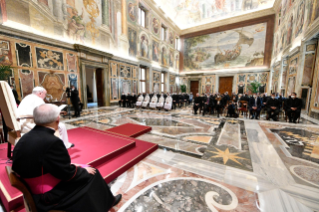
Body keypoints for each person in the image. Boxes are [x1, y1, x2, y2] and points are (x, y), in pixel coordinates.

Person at [12, 104, 121, 212]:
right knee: (93, 173)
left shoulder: (25, 137)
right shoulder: (52, 141)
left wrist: (73, 167)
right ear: (57, 119)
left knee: (84, 171)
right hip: (47, 197)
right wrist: (82, 170)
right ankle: (107, 202)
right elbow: (67, 174)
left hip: (35, 188)